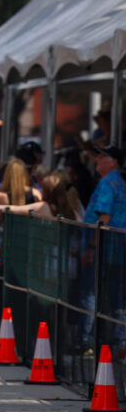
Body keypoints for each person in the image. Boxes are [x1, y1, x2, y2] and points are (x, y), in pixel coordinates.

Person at [78, 146, 126, 350]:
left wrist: (91, 247)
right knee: (117, 296)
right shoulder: (120, 182)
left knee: (90, 292)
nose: (97, 158)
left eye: (102, 156)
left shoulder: (107, 183)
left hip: (104, 248)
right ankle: (119, 340)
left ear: (113, 161)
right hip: (116, 250)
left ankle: (85, 340)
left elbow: (104, 218)